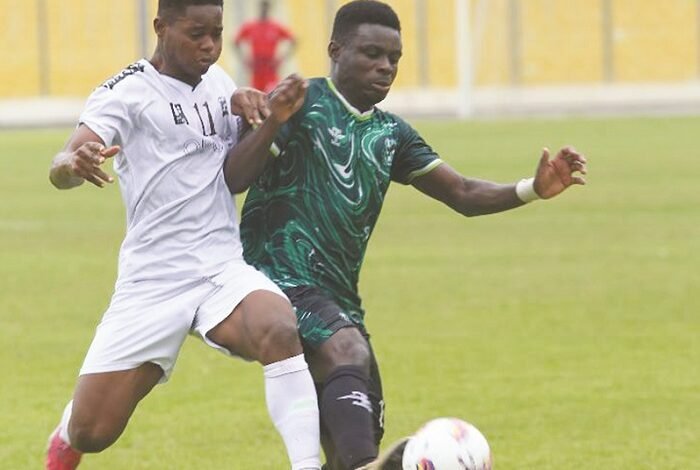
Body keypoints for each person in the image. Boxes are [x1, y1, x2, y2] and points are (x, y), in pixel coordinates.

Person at [225, 1, 589, 469]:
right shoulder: (301, 103)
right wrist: (274, 119)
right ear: (336, 50)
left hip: (337, 298)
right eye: (371, 53)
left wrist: (531, 189)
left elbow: (461, 192)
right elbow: (234, 176)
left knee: (354, 438)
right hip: (274, 279)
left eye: (394, 58)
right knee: (348, 355)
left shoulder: (391, 134)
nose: (385, 67)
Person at [44, 1, 320, 469]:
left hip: (219, 267)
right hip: (153, 280)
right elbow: (61, 164)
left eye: (216, 33)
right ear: (161, 28)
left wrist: (272, 119)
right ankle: (67, 433)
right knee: (94, 431)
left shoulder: (218, 84)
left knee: (277, 326)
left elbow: (233, 178)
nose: (210, 46)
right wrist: (74, 163)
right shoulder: (126, 91)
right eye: (197, 34)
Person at [233, 0, 296, 92]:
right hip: (257, 70)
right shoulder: (251, 26)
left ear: (269, 9)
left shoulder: (275, 27)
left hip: (270, 69)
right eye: (262, 8)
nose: (264, 10)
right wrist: (244, 59)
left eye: (266, 8)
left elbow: (293, 41)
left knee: (272, 95)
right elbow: (236, 42)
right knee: (256, 96)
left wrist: (282, 58)